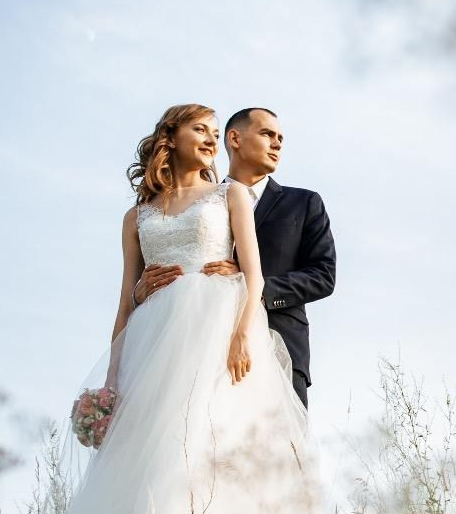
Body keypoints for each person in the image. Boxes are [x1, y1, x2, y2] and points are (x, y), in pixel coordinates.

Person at [40, 104, 316, 514]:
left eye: (215, 131)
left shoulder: (229, 195)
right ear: (171, 138)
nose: (210, 139)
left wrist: (239, 335)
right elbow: (124, 304)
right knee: (153, 448)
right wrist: (113, 379)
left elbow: (251, 275)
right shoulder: (135, 217)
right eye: (200, 130)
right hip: (155, 334)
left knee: (206, 441)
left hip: (215, 326)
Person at [133, 106, 335, 408]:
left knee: (276, 452)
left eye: (280, 137)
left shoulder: (303, 203)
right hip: (193, 341)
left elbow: (324, 275)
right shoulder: (200, 200)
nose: (278, 143)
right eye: (268, 134)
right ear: (234, 138)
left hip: (279, 344)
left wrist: (250, 284)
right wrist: (140, 292)